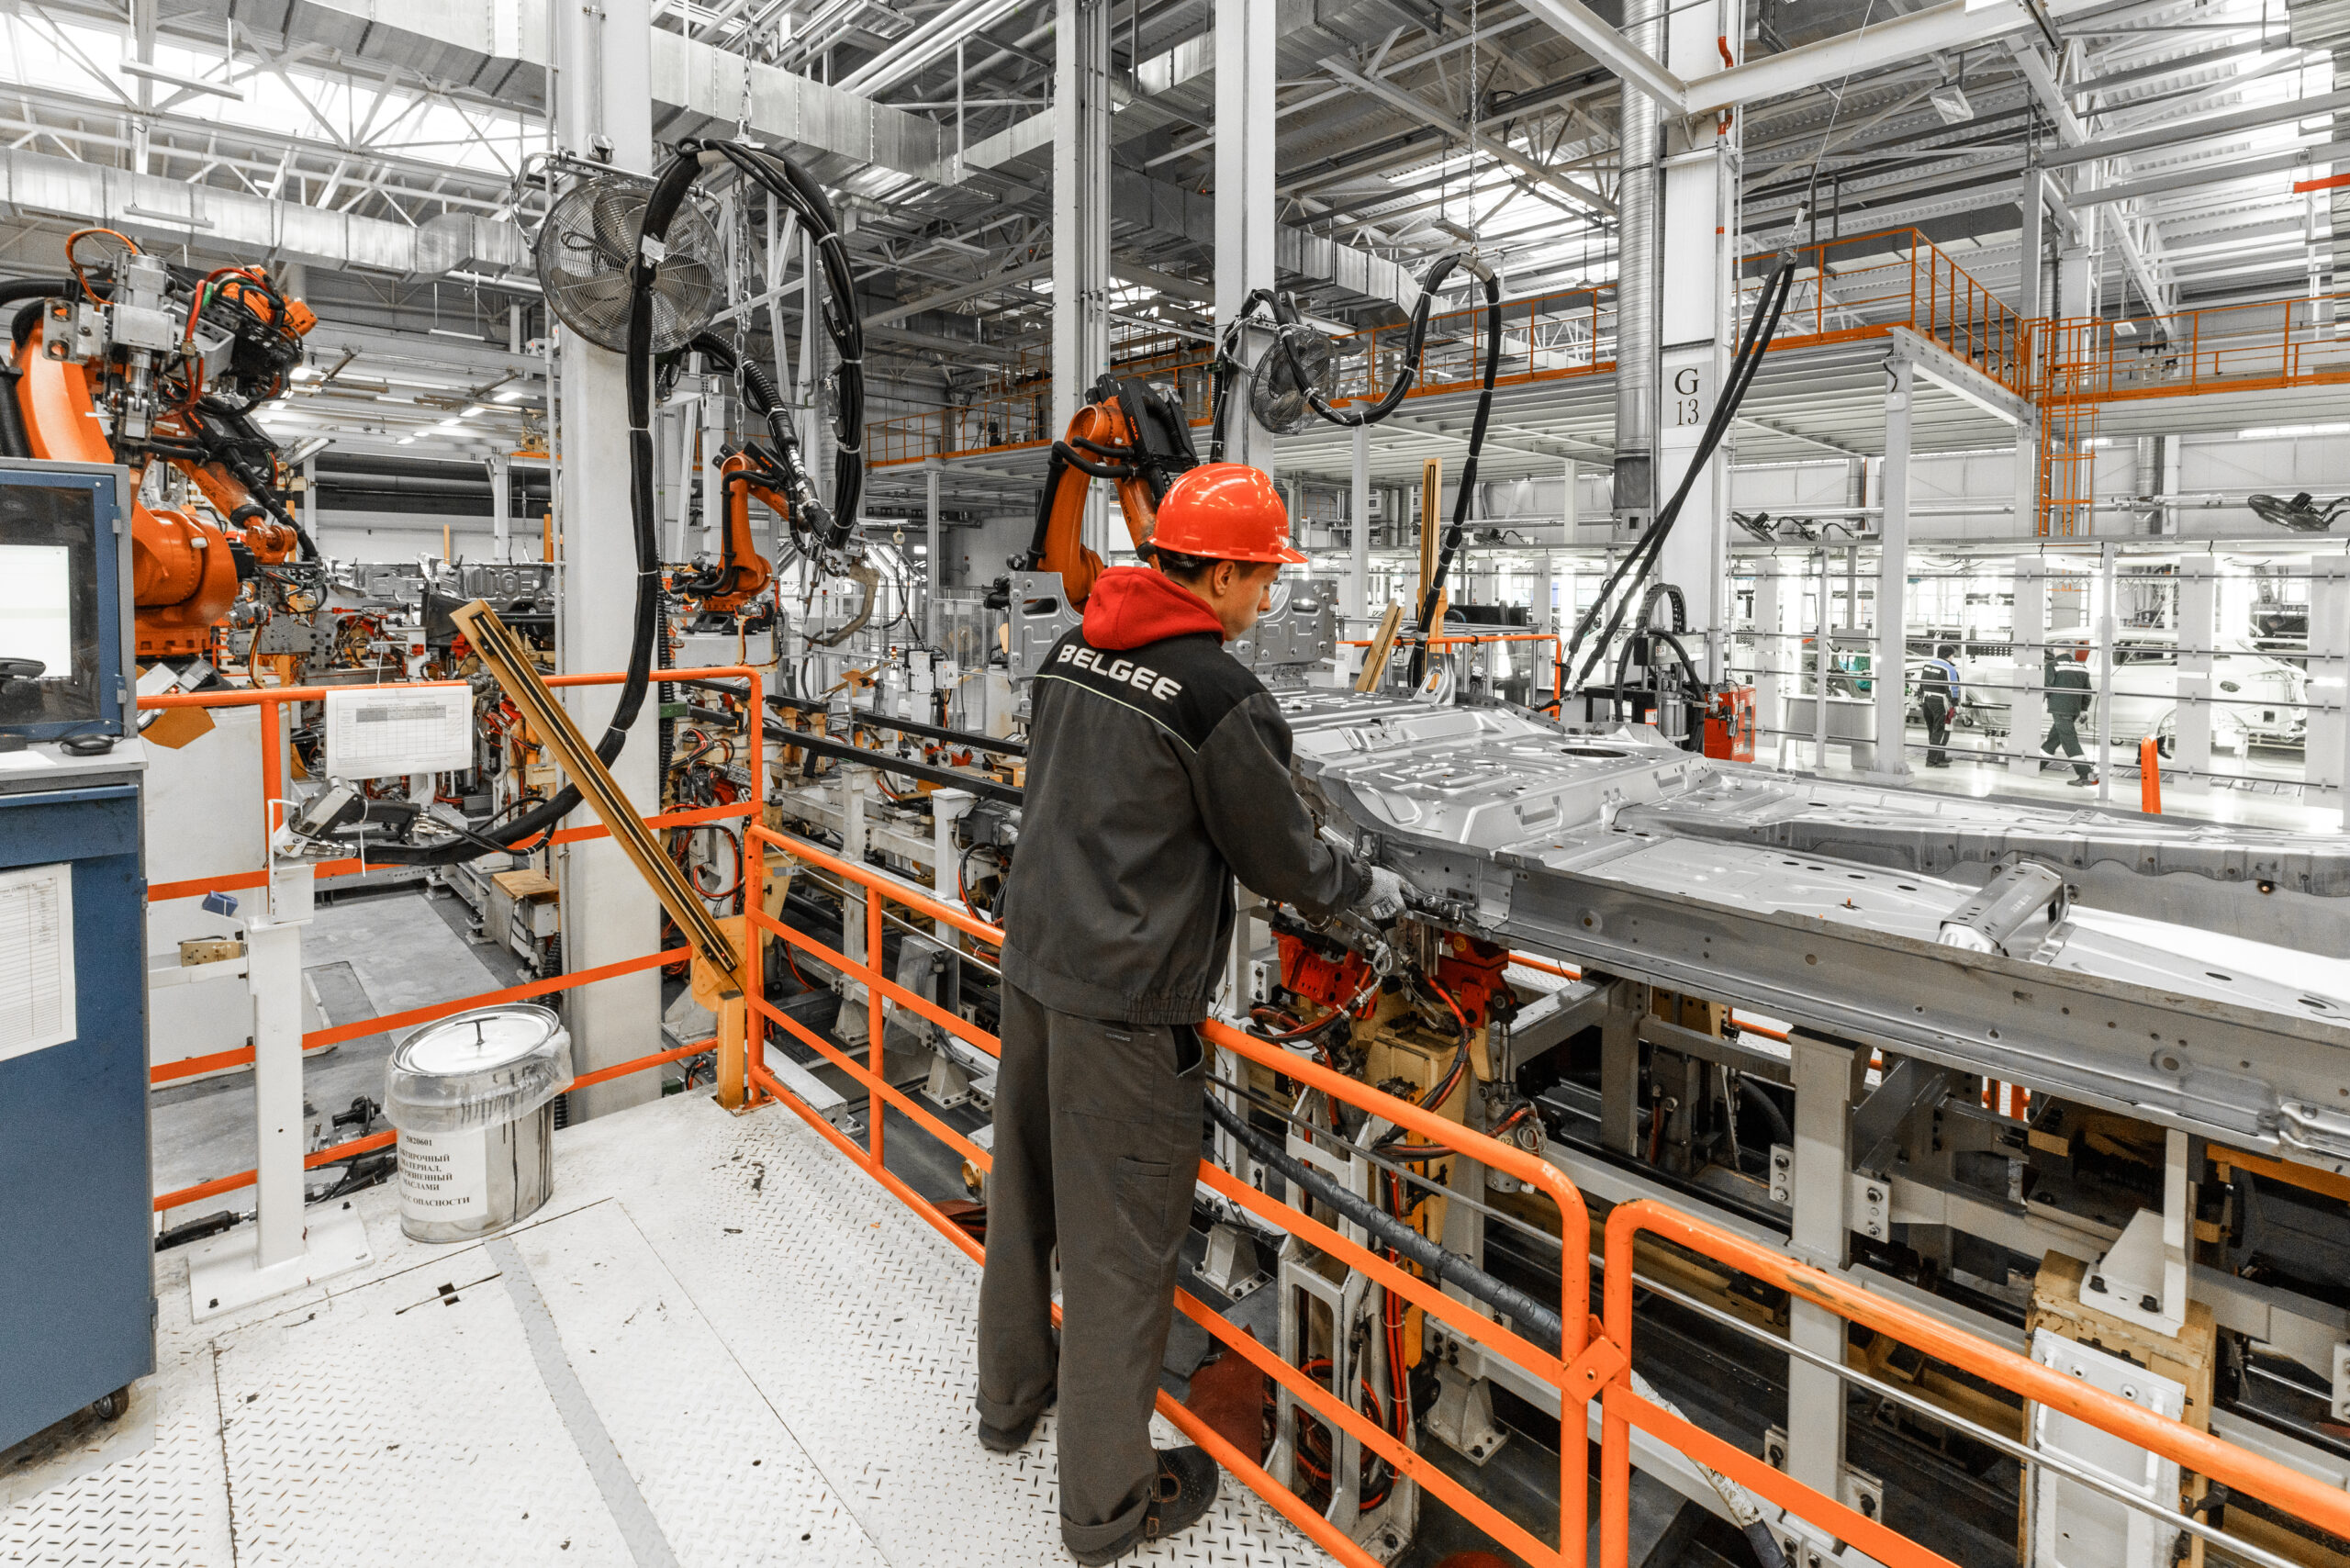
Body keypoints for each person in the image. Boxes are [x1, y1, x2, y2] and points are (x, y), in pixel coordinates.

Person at [976, 462, 1404, 1565]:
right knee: (1119, 1257)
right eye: (1261, 578)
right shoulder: (1217, 694)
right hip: (1126, 1008)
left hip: (1034, 967)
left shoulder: (1072, 649)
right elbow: (1281, 859)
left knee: (1023, 1200)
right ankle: (1108, 1508)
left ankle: (1009, 1402)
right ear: (1216, 575)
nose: (1266, 598)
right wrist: (1365, 889)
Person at [2043, 645, 2096, 786]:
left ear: (2058, 650)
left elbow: (2047, 687)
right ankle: (2037, 765)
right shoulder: (2082, 667)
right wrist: (2084, 709)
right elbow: (2087, 691)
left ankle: (2086, 775)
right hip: (2074, 709)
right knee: (2053, 739)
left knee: (2069, 740)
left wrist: (2035, 702)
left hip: (2060, 708)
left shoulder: (2052, 665)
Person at [1919, 643, 1963, 767]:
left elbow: (1921, 684)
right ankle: (1933, 760)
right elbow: (1953, 688)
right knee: (1941, 730)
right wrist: (1955, 704)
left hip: (1926, 700)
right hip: (1939, 702)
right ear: (1950, 656)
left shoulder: (1928, 665)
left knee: (1932, 730)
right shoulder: (1949, 669)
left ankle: (1939, 756)